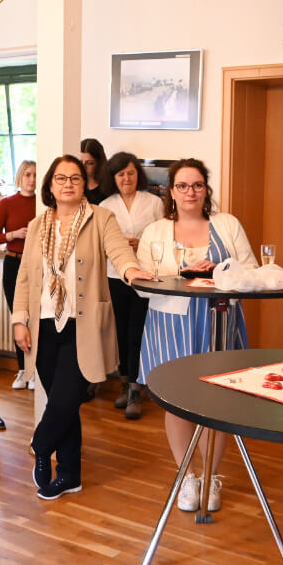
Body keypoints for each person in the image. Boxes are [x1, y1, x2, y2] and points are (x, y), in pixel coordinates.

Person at [12, 156, 150, 500]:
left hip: (82, 326)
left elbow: (119, 252)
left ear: (84, 184)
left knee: (64, 400)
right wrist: (19, 320)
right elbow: (25, 276)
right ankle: (69, 475)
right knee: (65, 406)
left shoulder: (101, 218)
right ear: (50, 185)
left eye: (75, 178)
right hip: (43, 325)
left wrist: (132, 271)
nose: (68, 184)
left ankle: (41, 444)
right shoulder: (38, 225)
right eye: (61, 178)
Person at [137, 158, 258, 513]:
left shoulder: (227, 224)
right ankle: (187, 476)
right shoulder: (155, 231)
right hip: (169, 323)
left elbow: (251, 272)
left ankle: (211, 475)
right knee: (176, 400)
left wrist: (219, 269)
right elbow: (142, 282)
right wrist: (184, 272)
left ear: (206, 189)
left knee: (215, 401)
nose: (190, 192)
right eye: (182, 186)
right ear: (171, 192)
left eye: (197, 185)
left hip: (219, 321)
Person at [98, 152, 163, 419]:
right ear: (113, 178)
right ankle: (125, 383)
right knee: (121, 332)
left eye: (131, 173)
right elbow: (101, 242)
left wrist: (141, 243)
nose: (127, 178)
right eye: (121, 174)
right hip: (115, 275)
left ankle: (137, 387)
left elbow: (162, 237)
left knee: (137, 331)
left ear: (139, 174)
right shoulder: (105, 205)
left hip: (145, 275)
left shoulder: (154, 202)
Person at [0, 160, 38, 391]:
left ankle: (35, 369)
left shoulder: (43, 204)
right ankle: (22, 369)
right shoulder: (6, 203)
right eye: (27, 174)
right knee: (18, 316)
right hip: (13, 263)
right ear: (20, 177)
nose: (31, 179)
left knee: (37, 317)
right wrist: (15, 234)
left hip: (36, 265)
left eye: (35, 175)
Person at [79, 138, 108, 205]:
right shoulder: (73, 186)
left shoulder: (107, 190)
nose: (83, 167)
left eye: (89, 163)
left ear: (99, 163)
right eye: (80, 162)